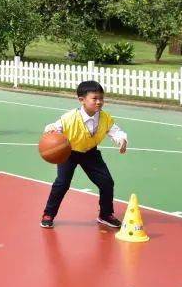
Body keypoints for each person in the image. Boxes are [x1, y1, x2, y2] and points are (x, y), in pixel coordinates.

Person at [39, 80, 128, 230]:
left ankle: (105, 214)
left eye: (101, 98)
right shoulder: (69, 117)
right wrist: (51, 130)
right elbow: (54, 127)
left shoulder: (105, 118)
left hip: (90, 153)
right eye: (95, 98)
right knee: (62, 183)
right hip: (69, 153)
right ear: (82, 100)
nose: (99, 102)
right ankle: (48, 214)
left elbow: (116, 131)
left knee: (106, 182)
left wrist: (122, 140)